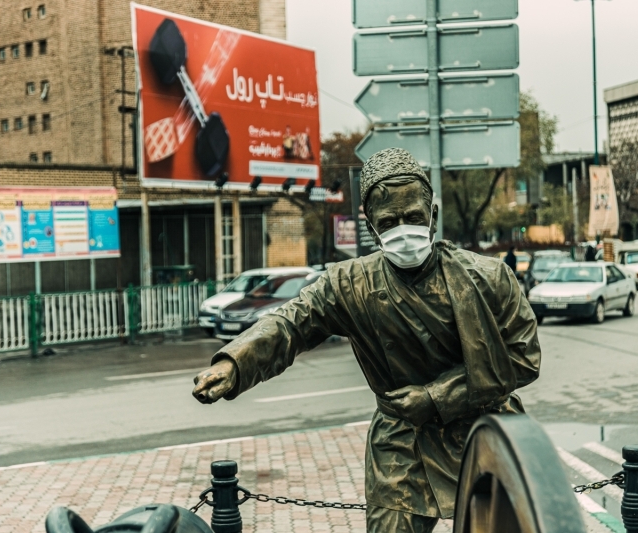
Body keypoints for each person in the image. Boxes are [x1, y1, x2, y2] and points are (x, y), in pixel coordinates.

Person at [191, 147, 541, 532]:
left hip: (486, 429)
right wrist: (235, 362)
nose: (403, 230)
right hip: (403, 444)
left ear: (433, 216)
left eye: (414, 217)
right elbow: (291, 323)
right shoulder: (349, 284)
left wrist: (436, 397)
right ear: (372, 228)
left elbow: (523, 357)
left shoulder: (489, 278)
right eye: (389, 221)